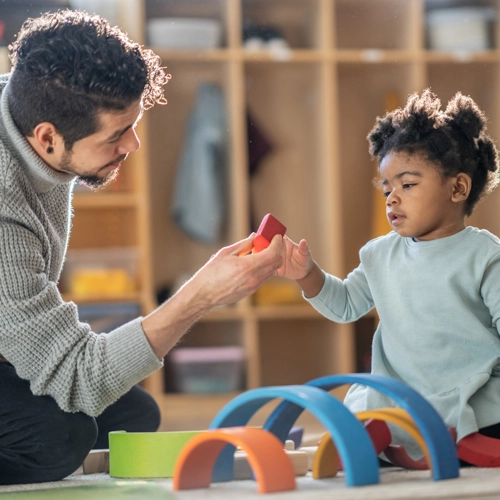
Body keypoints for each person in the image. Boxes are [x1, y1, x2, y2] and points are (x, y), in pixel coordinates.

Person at [0, 10, 284, 485]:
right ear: (46, 137)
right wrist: (201, 295)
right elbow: (80, 378)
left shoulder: (29, 104)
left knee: (131, 418)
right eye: (115, 135)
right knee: (60, 437)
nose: (132, 144)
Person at [277, 89, 500, 462]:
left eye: (407, 185)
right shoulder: (380, 254)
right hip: (400, 395)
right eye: (386, 188)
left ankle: (434, 445)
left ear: (458, 188)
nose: (392, 199)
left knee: (485, 416)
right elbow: (346, 305)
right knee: (356, 414)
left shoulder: (485, 256)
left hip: (470, 393)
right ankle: (403, 443)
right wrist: (307, 274)